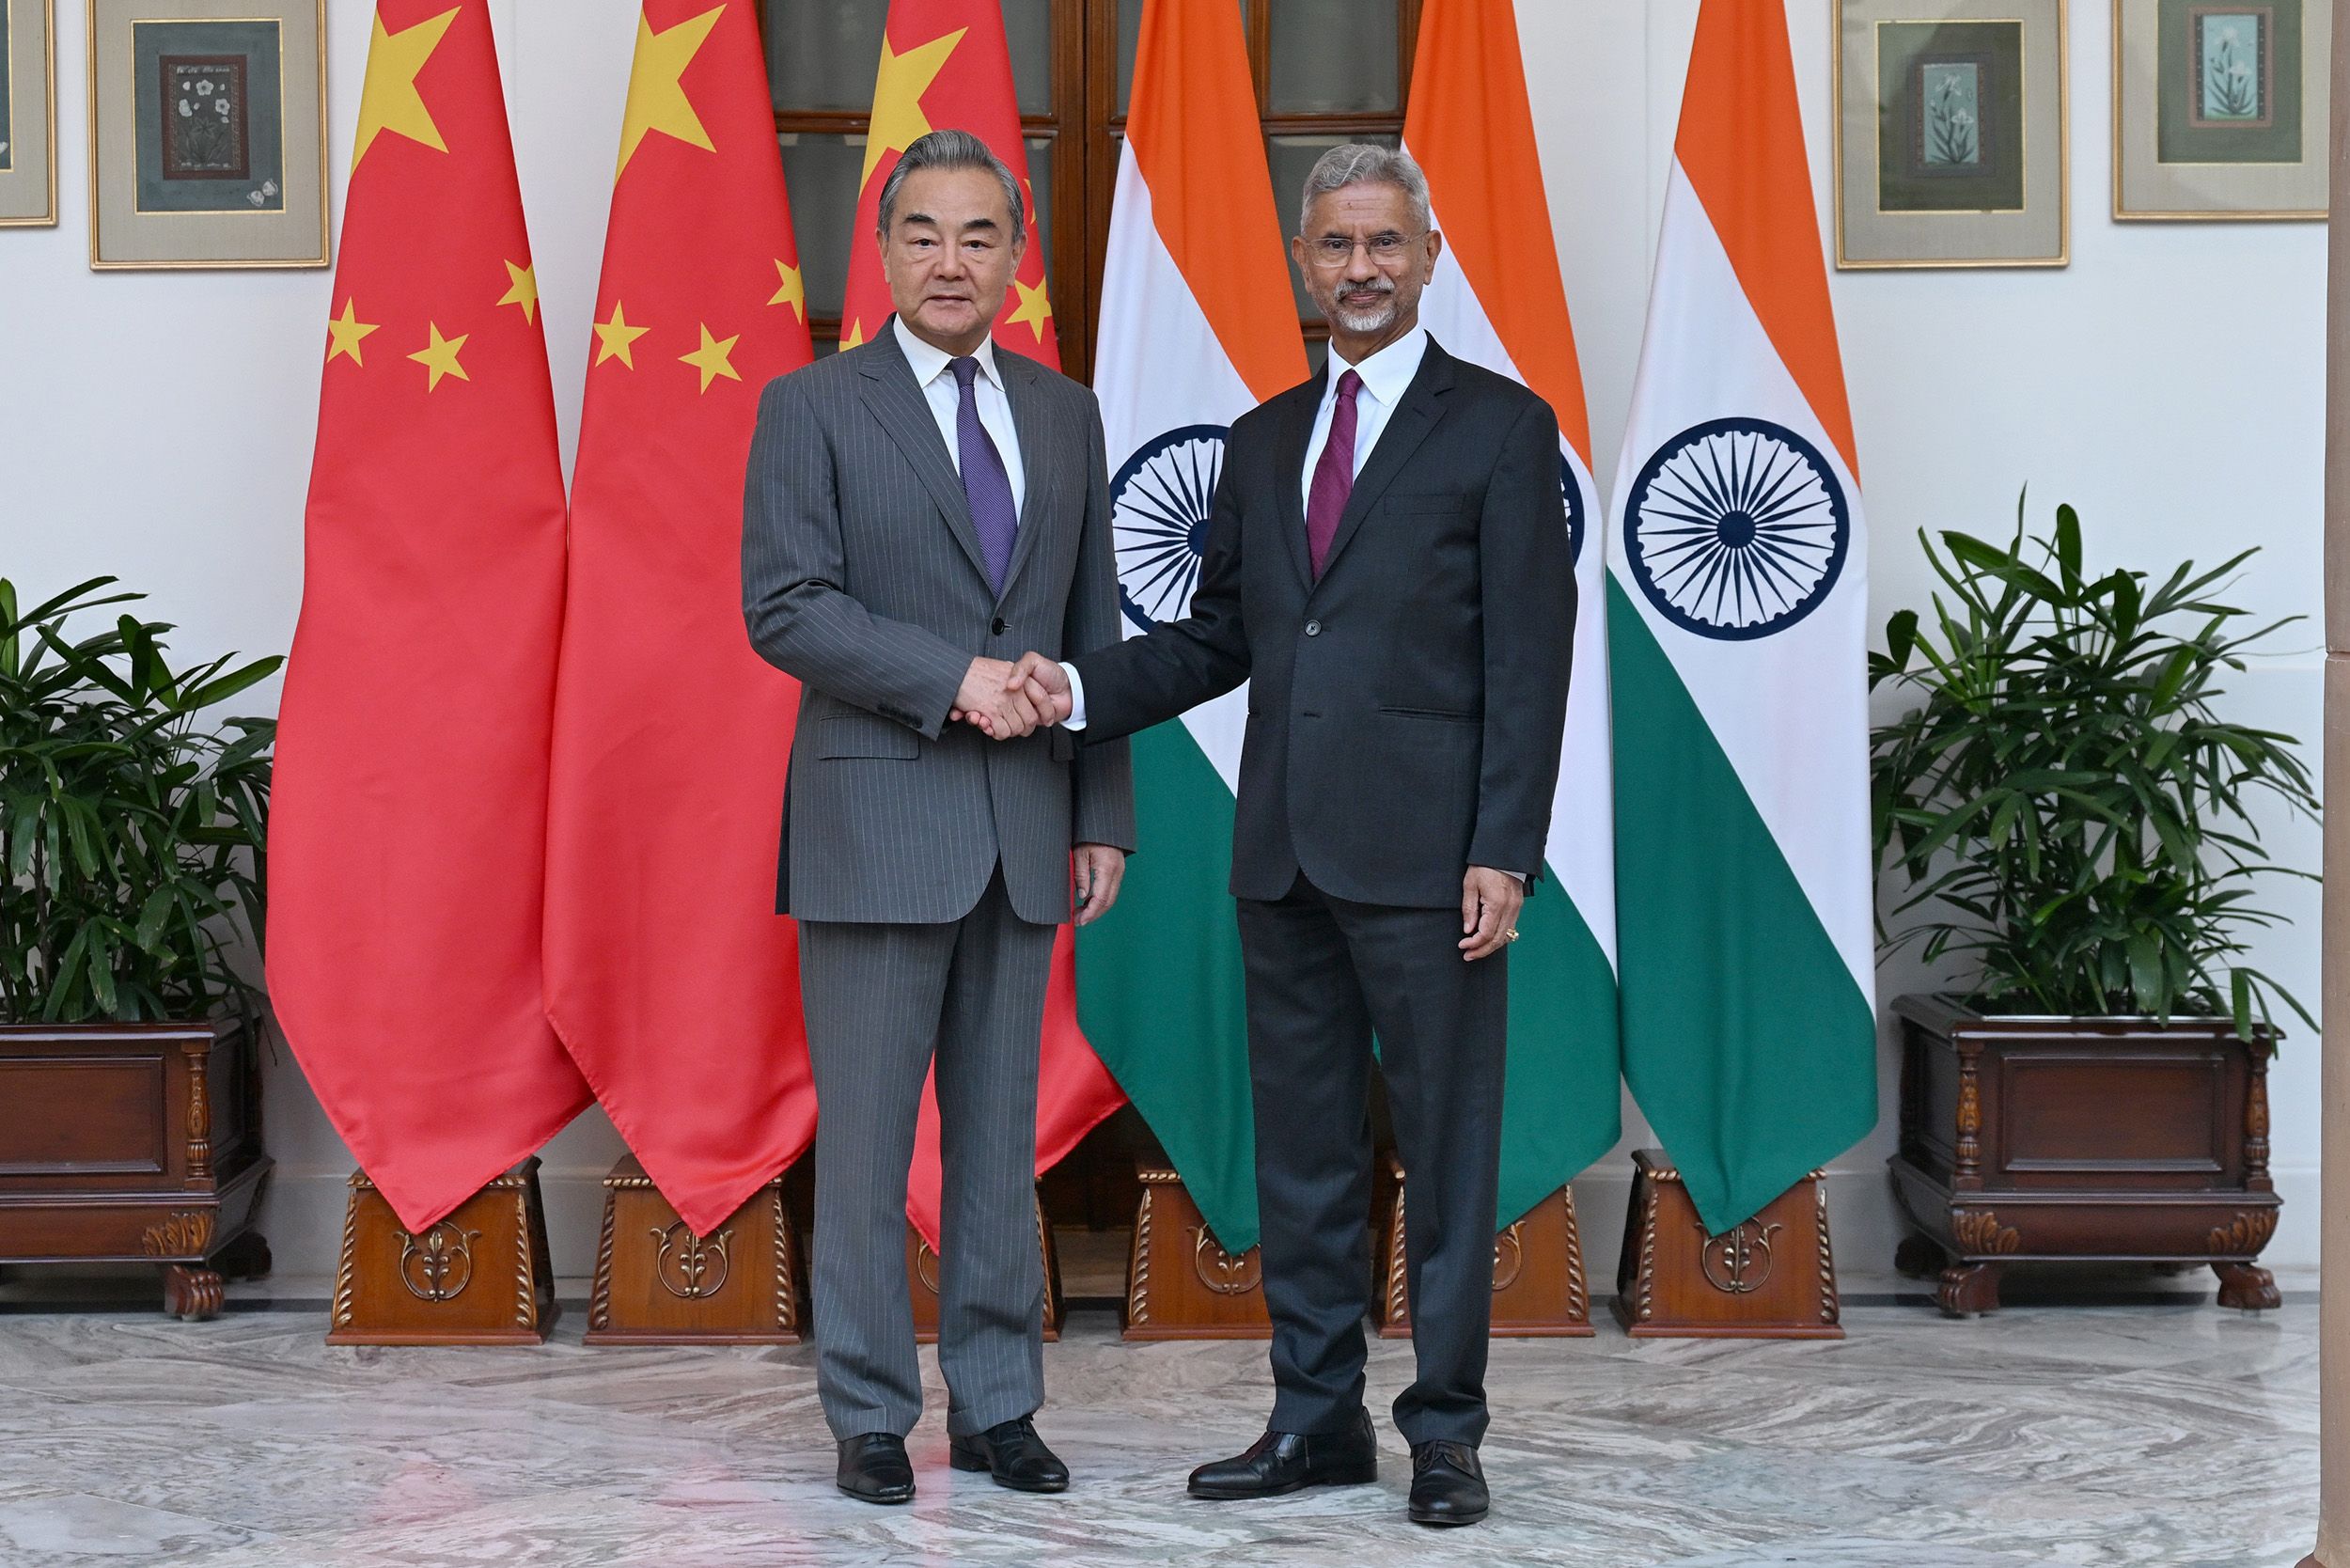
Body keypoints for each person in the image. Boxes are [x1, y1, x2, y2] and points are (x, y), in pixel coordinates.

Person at [979, 144, 1574, 1529]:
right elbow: (1215, 641)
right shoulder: (1262, 442)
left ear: (1426, 256)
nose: (1359, 270)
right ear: (1305, 265)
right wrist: (1066, 688)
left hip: (1438, 869)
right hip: (1286, 859)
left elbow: (1531, 663)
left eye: (1383, 245)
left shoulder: (1501, 426)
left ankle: (1445, 1437)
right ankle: (1316, 1426)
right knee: (1301, 1161)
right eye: (1334, 248)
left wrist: (1506, 847)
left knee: (1446, 1157)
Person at [741, 129, 1135, 1505]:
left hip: (1027, 831)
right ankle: (865, 1410)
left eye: (979, 235)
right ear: (886, 251)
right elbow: (784, 607)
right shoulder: (813, 406)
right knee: (862, 1140)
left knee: (995, 1137)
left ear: (1015, 257)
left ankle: (997, 1405)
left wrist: (1102, 809)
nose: (951, 260)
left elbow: (1094, 627)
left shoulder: (1066, 412)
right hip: (873, 830)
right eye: (923, 233)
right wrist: (954, 682)